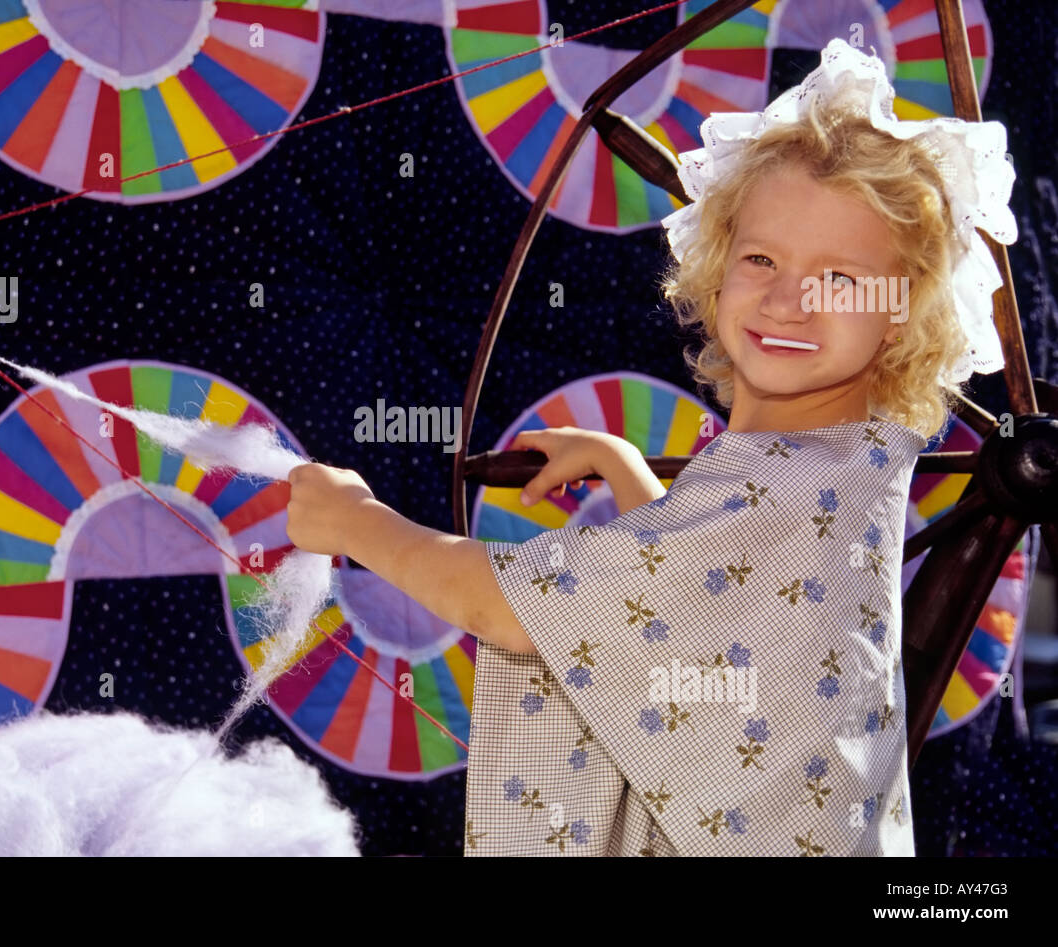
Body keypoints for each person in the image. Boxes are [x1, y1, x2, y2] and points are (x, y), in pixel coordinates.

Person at [282, 39, 1017, 855]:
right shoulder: (854, 455)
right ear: (716, 263)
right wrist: (629, 473)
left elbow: (511, 610)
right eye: (761, 258)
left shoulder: (776, 484)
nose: (784, 299)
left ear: (903, 313)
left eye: (839, 280)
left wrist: (357, 522)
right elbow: (719, 605)